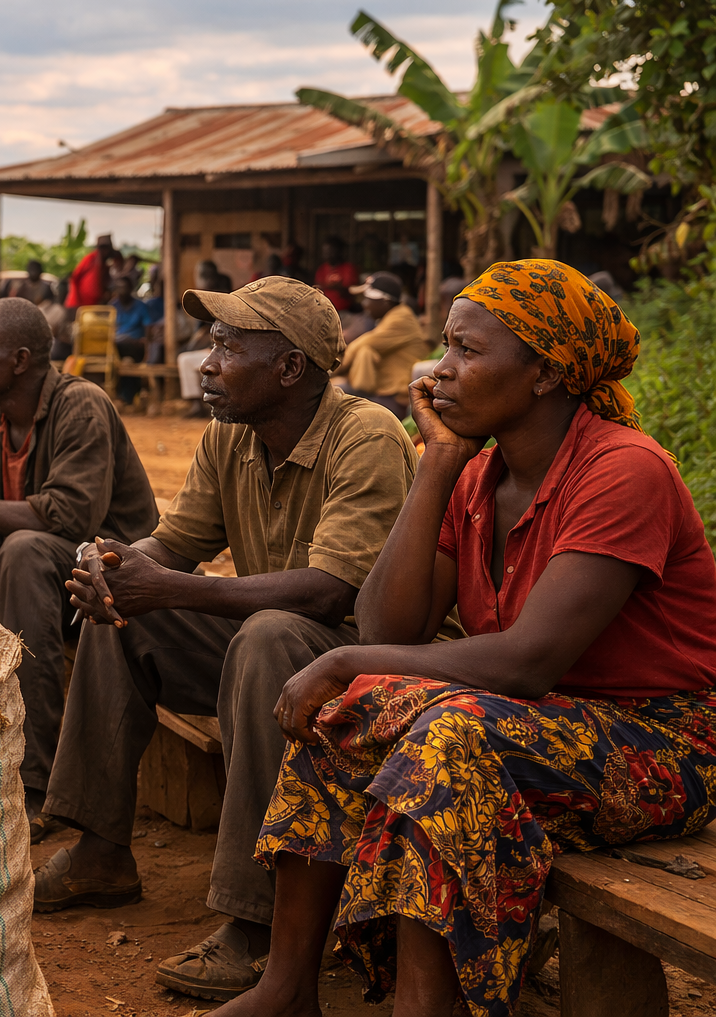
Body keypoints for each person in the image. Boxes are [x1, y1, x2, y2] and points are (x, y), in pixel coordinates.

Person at [234, 260, 716, 1017]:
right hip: (541, 728)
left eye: (467, 350)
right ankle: (286, 987)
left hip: (664, 743)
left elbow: (526, 662)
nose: (439, 371)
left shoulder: (624, 470)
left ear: (547, 374)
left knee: (450, 734)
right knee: (350, 717)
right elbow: (390, 627)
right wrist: (440, 462)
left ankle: (427, 1008)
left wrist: (341, 658)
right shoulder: (478, 476)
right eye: (445, 346)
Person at [36, 275, 429, 1002]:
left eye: (226, 345)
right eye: (210, 342)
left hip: (378, 673)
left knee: (268, 634)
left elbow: (329, 591)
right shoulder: (231, 436)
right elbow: (173, 545)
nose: (207, 361)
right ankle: (99, 851)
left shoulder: (364, 434)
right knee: (125, 611)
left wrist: (174, 587)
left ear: (288, 369)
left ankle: (255, 925)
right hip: (272, 652)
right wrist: (117, 566)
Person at [0, 297, 159, 842]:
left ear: (18, 360)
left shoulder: (81, 404)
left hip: (101, 579)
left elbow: (69, 515)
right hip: (31, 574)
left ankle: (34, 778)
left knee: (23, 548)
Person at [335, 271, 430, 417]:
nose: (364, 305)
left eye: (368, 300)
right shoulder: (389, 317)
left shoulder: (400, 319)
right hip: (384, 390)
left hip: (397, 396)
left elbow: (359, 345)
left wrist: (331, 369)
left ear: (385, 302)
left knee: (336, 396)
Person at [111, 275, 150, 404]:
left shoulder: (140, 306)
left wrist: (146, 343)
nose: (122, 291)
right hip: (114, 347)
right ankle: (125, 395)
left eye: (125, 287)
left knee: (127, 356)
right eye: (119, 287)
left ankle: (127, 396)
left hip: (135, 346)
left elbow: (148, 329)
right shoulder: (112, 307)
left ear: (131, 288)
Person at [65, 234, 117, 311]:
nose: (106, 252)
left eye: (107, 249)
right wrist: (75, 300)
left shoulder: (106, 266)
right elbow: (75, 277)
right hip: (79, 305)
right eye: (103, 248)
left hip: (95, 306)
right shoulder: (90, 259)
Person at [314, 236, 359, 316]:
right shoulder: (321, 269)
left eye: (330, 251)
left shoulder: (348, 268)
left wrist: (335, 287)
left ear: (339, 251)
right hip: (323, 312)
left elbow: (351, 291)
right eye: (325, 251)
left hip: (345, 313)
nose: (327, 254)